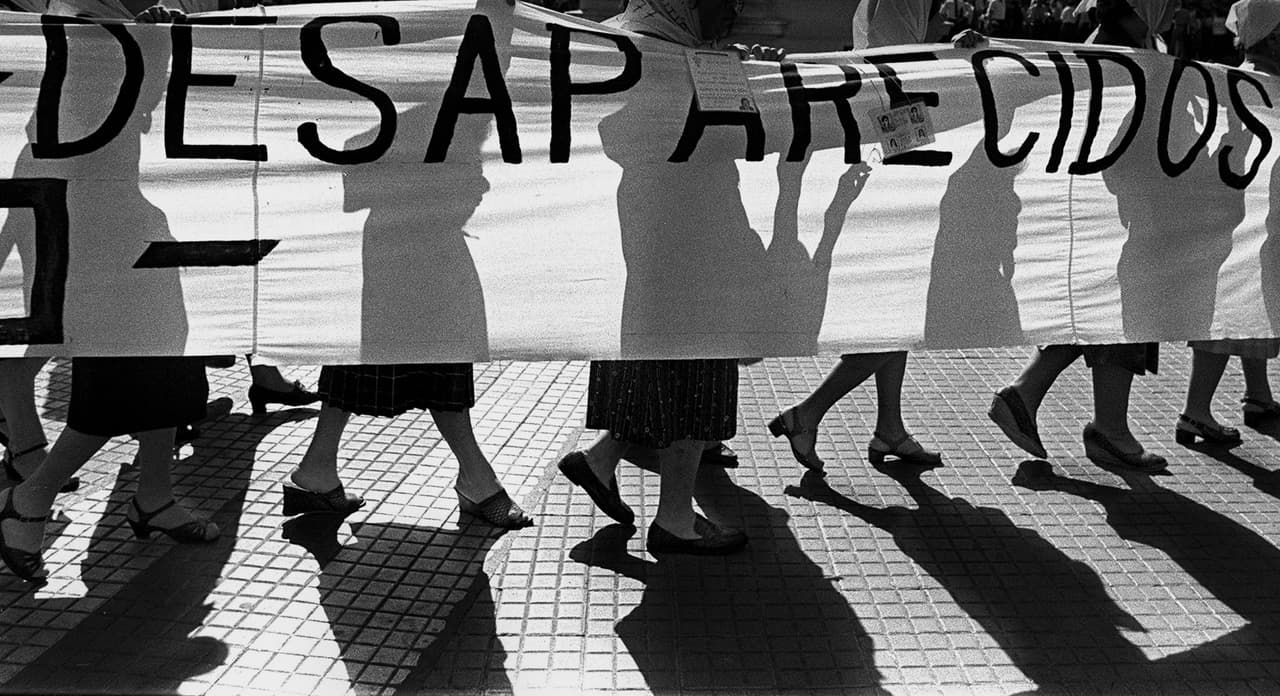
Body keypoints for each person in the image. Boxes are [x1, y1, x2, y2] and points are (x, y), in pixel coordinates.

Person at [1, 2, 219, 585]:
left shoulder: (131, 22)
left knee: (167, 364)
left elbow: (146, 104)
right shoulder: (76, 21)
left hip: (129, 213)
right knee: (125, 377)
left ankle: (153, 494)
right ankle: (31, 497)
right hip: (90, 224)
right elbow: (89, 114)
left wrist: (157, 41)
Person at [557, 0, 773, 556]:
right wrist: (724, 76)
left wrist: (734, 72)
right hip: (693, 227)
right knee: (697, 364)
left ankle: (602, 460)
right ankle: (676, 518)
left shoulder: (627, 45)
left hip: (659, 222)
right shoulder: (652, 54)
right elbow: (730, 139)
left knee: (658, 354)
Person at [768, 0, 984, 478]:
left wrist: (948, 50)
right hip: (892, 153)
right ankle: (808, 413)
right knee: (897, 311)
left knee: (893, 311)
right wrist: (953, 56)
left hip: (890, 148)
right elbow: (895, 69)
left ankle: (889, 427)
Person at [988, 0, 1176, 475]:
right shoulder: (1117, 50)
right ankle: (1102, 427)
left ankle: (1048, 404)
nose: (1174, 11)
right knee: (1118, 313)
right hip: (1120, 207)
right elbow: (1118, 131)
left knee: (1110, 312)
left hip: (1121, 206)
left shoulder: (1134, 44)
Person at [1177, 0, 1280, 446]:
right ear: (1271, 36)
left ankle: (1257, 392)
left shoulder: (1231, 81)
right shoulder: (1259, 86)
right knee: (1233, 310)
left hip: (1244, 217)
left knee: (1253, 302)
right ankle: (1195, 412)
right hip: (1245, 220)